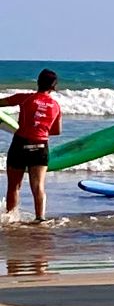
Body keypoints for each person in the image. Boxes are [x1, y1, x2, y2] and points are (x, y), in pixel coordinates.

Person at [0, 68, 62, 222]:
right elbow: (57, 130)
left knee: (14, 186)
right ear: (54, 87)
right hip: (40, 146)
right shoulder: (56, 106)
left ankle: (11, 219)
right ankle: (40, 218)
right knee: (38, 186)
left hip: (20, 144)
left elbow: (1, 103)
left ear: (38, 82)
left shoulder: (25, 98)